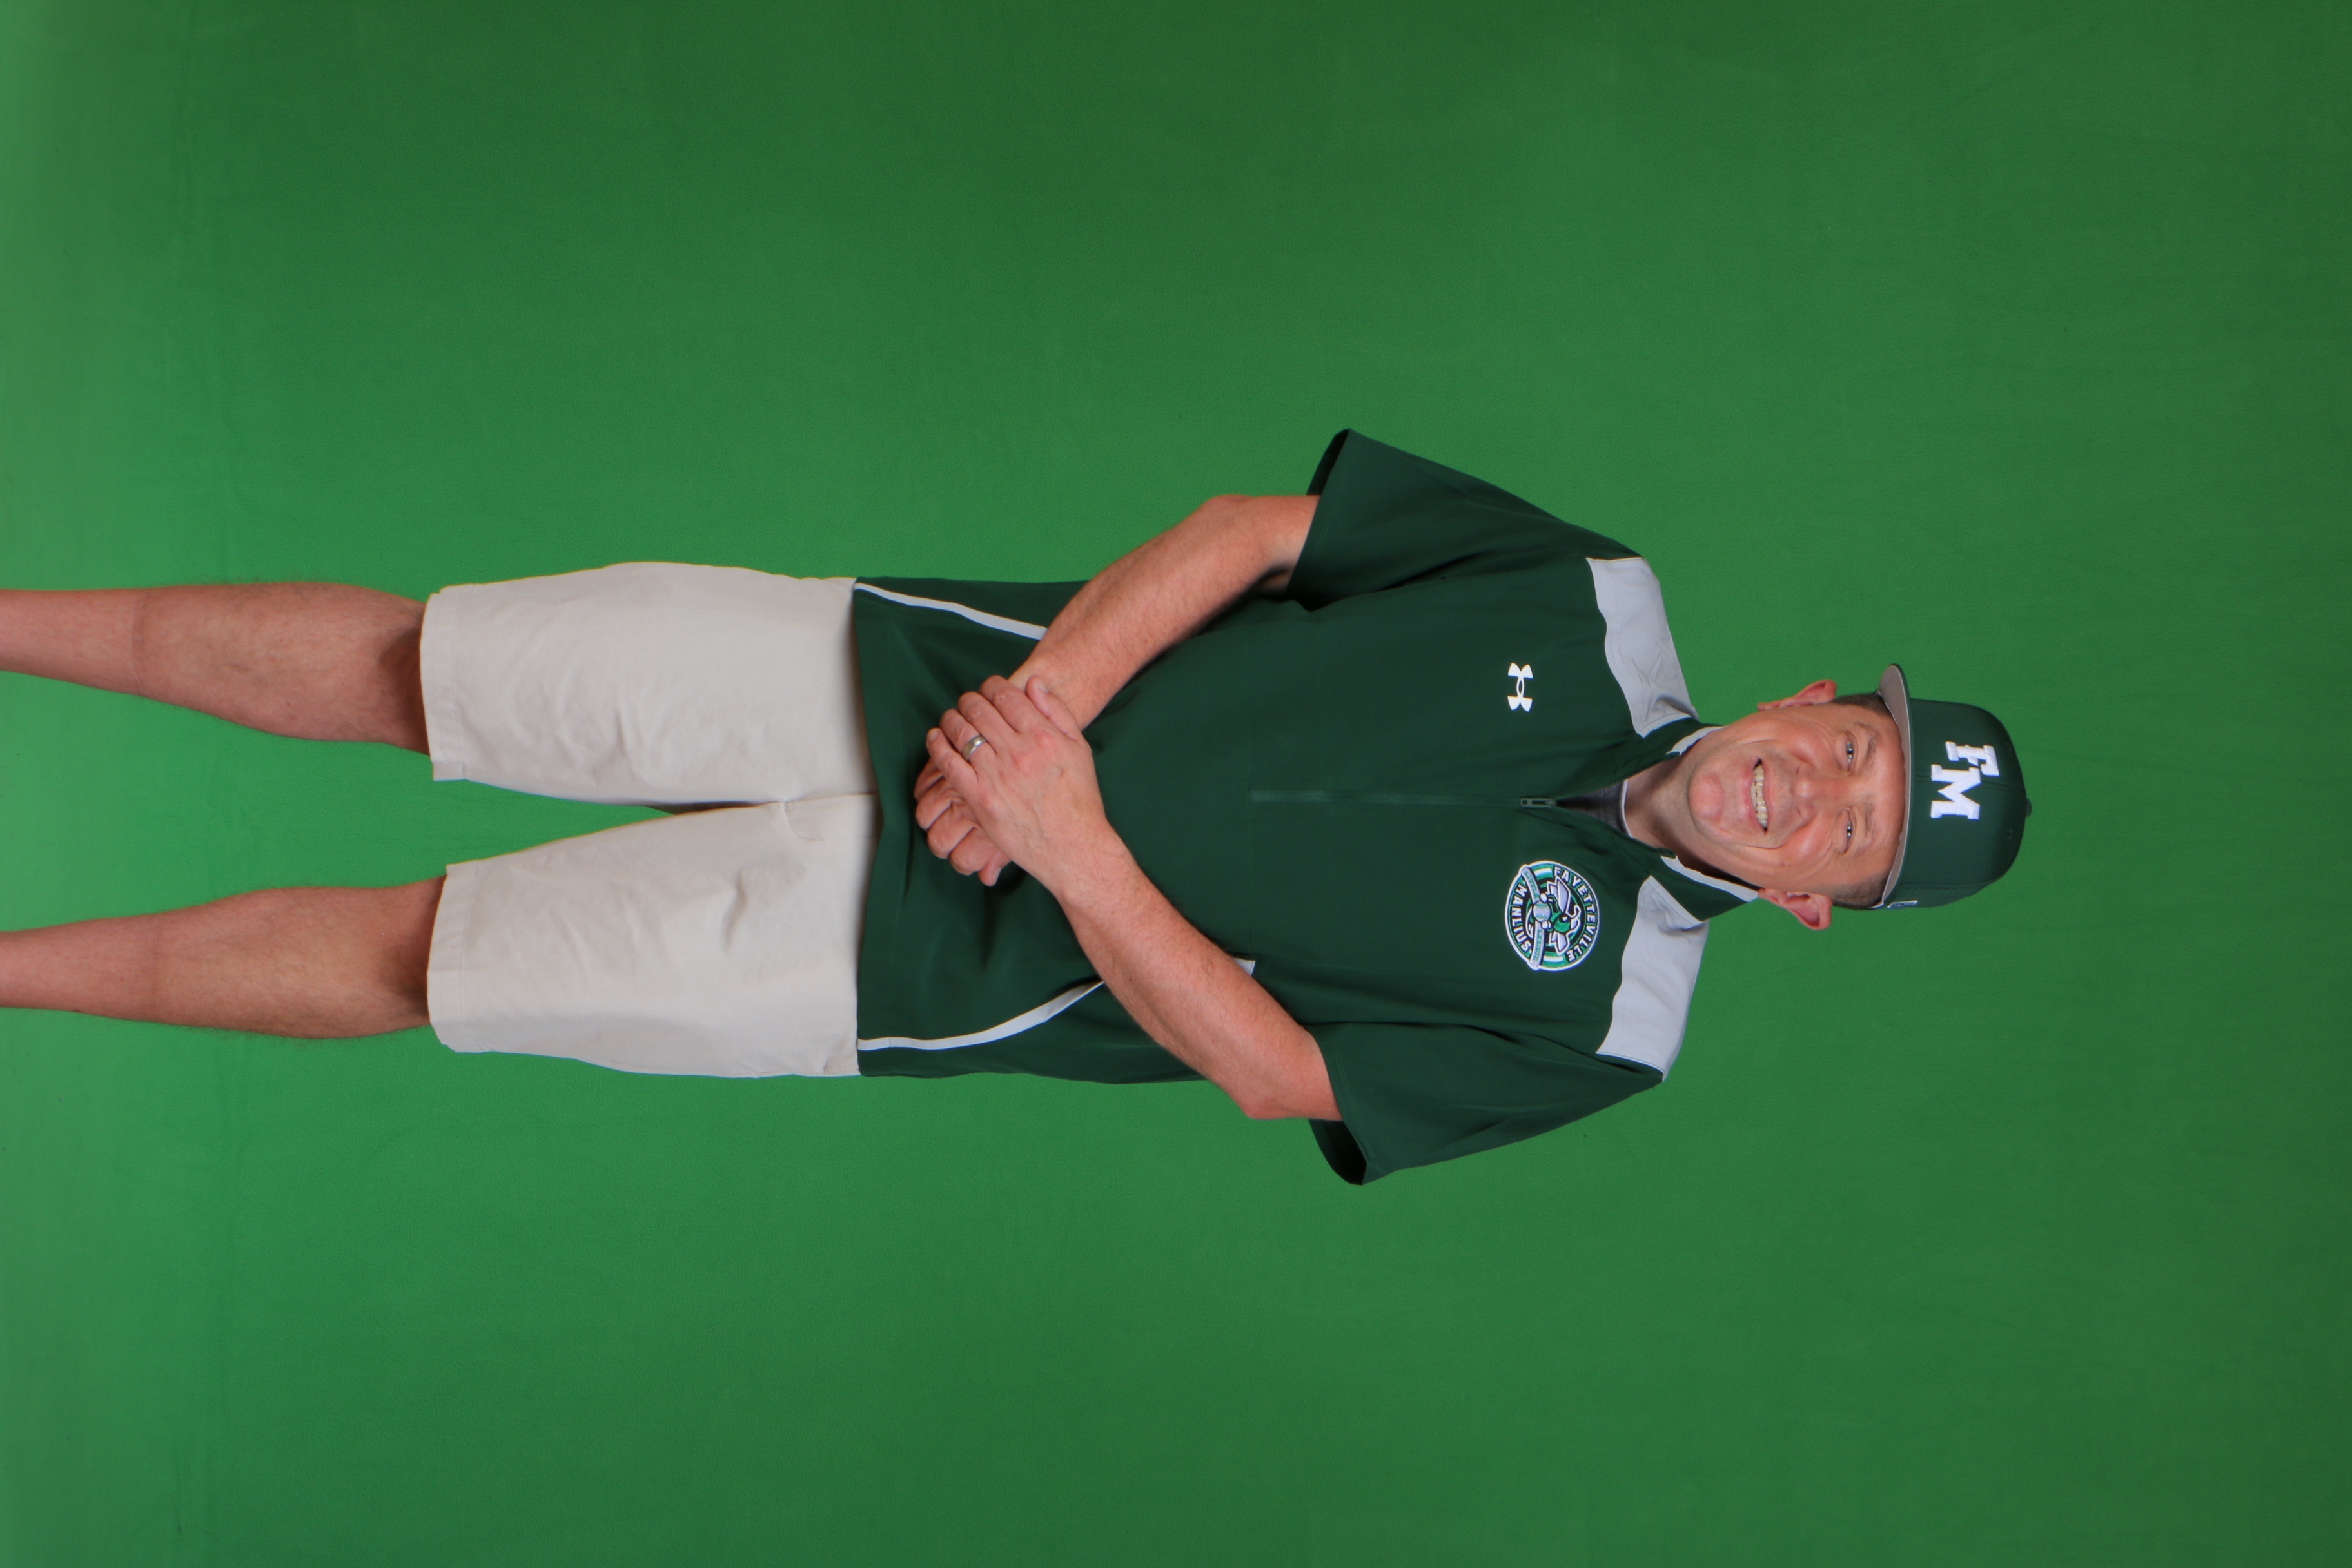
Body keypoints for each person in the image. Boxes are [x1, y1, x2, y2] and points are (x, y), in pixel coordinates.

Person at [0, 433, 2030, 1182]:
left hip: (899, 966)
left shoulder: (1610, 1026)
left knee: (415, 959)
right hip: (892, 670)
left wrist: (1065, 839)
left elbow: (1284, 1075)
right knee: (414, 667)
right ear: (1810, 697)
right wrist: (1032, 719)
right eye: (1852, 749)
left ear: (1819, 904)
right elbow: (1257, 534)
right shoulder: (1590, 595)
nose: (1816, 793)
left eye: (1850, 837)